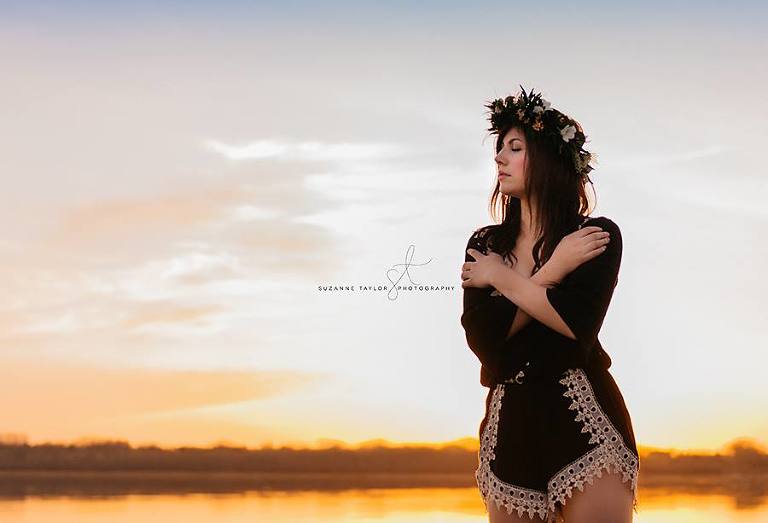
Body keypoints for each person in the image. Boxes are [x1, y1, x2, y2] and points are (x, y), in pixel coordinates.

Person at [460, 86, 640, 523]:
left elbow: (575, 325)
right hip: (510, 424)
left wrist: (502, 279)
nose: (499, 158)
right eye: (499, 148)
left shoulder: (595, 237)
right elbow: (487, 344)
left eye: (515, 147)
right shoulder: (484, 246)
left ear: (549, 159)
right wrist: (549, 274)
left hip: (583, 420)